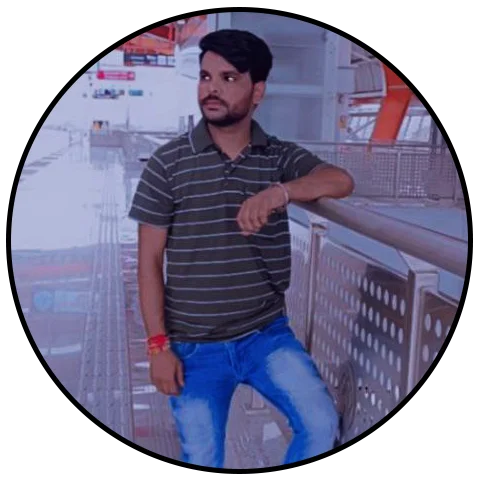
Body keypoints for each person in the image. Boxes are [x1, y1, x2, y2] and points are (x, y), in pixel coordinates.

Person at [128, 28, 355, 468]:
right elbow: (149, 262)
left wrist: (280, 193)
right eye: (205, 76)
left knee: (321, 424)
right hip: (192, 347)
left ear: (258, 91)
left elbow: (340, 181)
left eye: (229, 78)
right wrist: (157, 348)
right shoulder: (167, 164)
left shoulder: (278, 157)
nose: (211, 89)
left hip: (265, 336)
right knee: (202, 457)